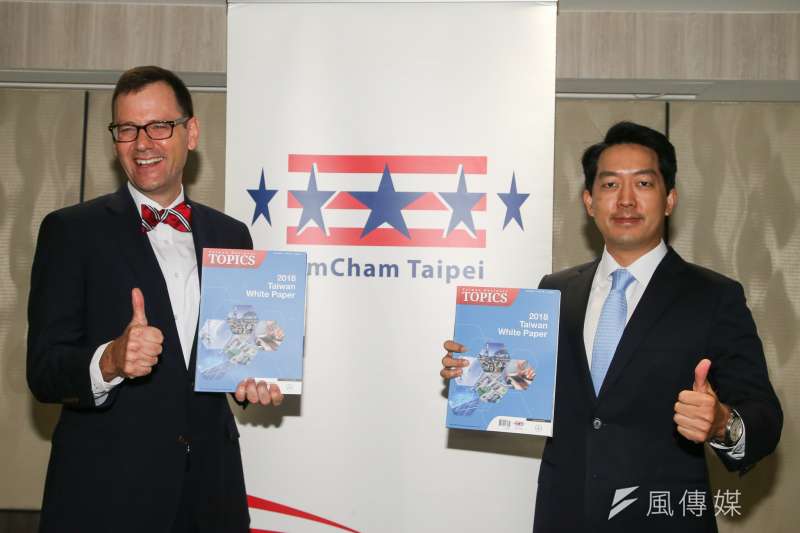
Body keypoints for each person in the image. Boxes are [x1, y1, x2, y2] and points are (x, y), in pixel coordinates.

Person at [441, 122, 782, 532]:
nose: (625, 200)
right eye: (609, 185)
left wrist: (723, 423)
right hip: (564, 518)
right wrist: (475, 372)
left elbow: (764, 418)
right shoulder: (555, 291)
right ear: (589, 201)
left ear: (670, 199)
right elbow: (527, 386)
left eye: (643, 183)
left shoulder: (714, 296)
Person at [27, 66, 283, 533]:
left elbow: (232, 353)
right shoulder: (70, 232)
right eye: (127, 129)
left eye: (159, 126)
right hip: (106, 497)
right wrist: (110, 360)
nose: (142, 143)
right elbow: (43, 371)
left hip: (210, 494)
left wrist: (251, 376)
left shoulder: (231, 235)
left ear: (191, 132)